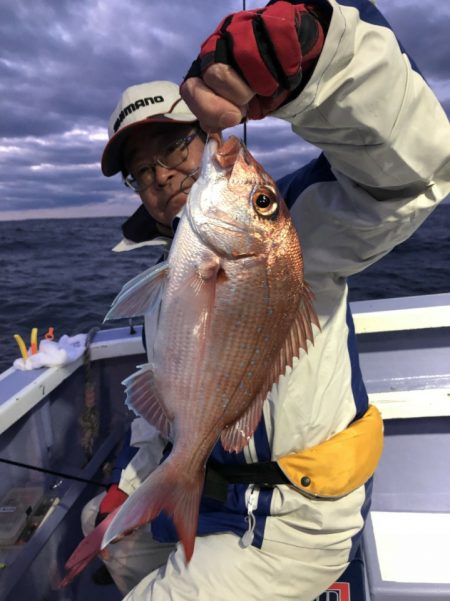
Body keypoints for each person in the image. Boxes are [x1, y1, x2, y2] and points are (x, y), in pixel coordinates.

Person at [90, 1, 450, 599]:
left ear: (209, 134)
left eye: (175, 146)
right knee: (109, 543)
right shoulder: (168, 272)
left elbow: (411, 176)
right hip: (211, 484)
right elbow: (172, 394)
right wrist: (131, 484)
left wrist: (325, 65)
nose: (161, 177)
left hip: (296, 514)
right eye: (140, 171)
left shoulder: (292, 230)